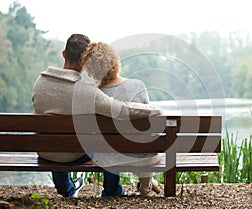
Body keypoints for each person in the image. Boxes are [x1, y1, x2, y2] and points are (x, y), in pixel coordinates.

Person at [32, 34, 162, 198]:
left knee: (56, 139)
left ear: (64, 54)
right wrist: (154, 110)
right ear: (86, 62)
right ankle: (113, 190)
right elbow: (121, 110)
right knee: (106, 139)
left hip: (44, 151)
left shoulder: (40, 82)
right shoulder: (86, 91)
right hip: (76, 154)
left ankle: (67, 189)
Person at [80, 42, 161, 196]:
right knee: (142, 141)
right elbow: (147, 122)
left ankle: (112, 190)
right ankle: (146, 187)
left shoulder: (96, 95)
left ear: (91, 71)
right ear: (114, 61)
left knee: (109, 144)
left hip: (110, 159)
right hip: (143, 155)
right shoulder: (137, 85)